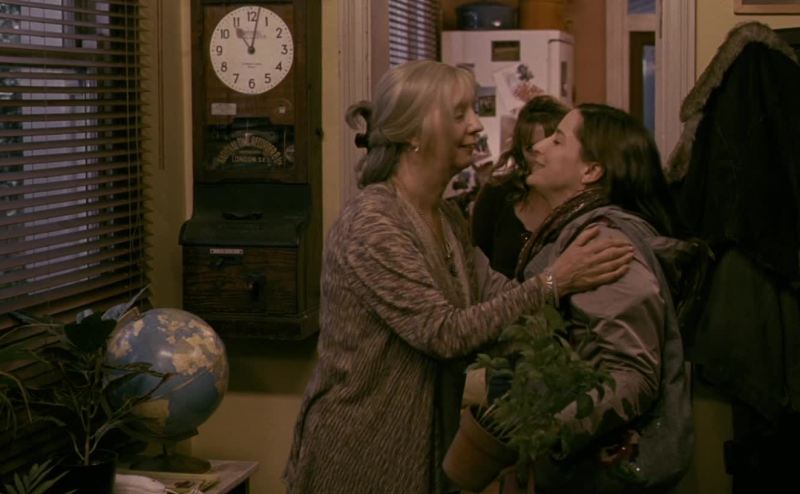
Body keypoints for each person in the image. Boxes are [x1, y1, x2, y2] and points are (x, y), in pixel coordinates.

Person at [282, 61, 634, 494]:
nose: (476, 126)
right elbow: (444, 333)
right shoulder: (373, 223)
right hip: (361, 456)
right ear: (414, 134)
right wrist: (554, 281)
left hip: (426, 450)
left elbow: (501, 302)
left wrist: (593, 391)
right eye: (459, 114)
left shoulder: (447, 218)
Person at [494, 103, 694, 493]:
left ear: (591, 171)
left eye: (557, 140)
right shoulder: (575, 230)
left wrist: (544, 435)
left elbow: (633, 376)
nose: (538, 147)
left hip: (599, 477)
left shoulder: (602, 242)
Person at [471, 95, 570, 278]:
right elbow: (476, 274)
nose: (540, 154)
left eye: (552, 144)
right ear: (520, 152)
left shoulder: (586, 207)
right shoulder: (497, 193)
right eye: (531, 148)